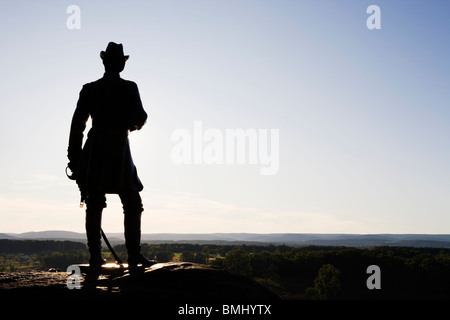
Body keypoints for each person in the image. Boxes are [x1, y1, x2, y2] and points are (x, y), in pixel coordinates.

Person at [67, 42, 153, 268]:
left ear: (105, 62)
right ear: (119, 64)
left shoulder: (89, 89)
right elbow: (141, 118)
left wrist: (74, 159)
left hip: (95, 148)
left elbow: (78, 127)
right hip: (118, 147)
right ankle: (133, 254)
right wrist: (129, 125)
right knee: (132, 201)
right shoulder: (129, 88)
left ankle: (96, 255)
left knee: (95, 201)